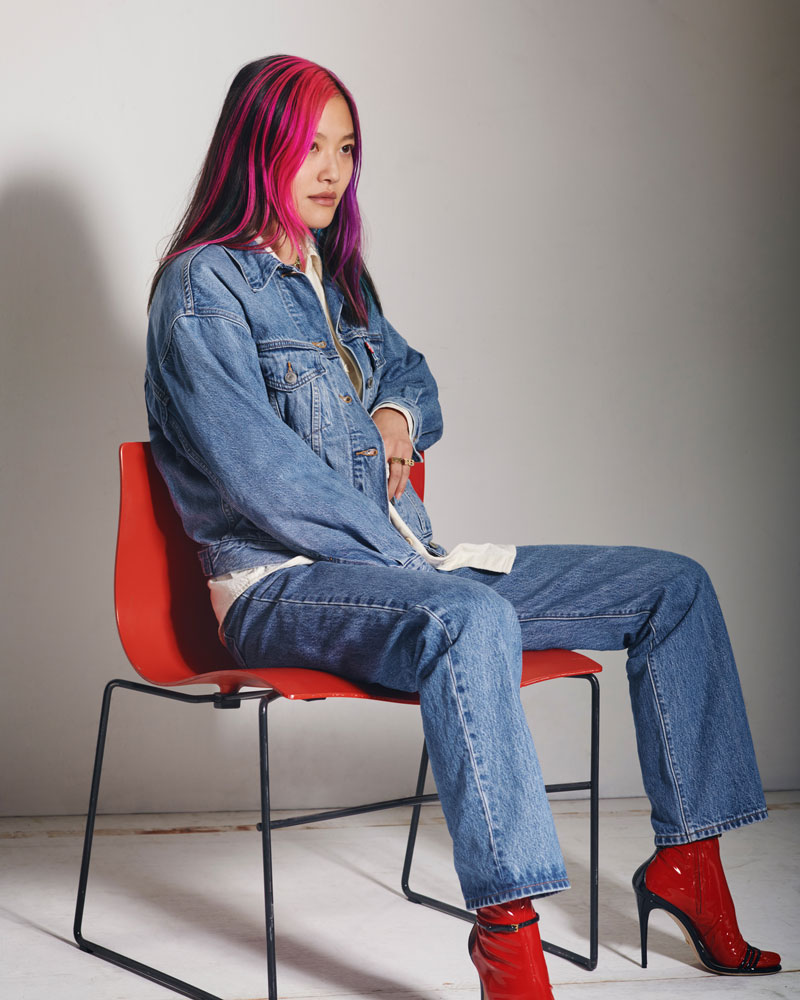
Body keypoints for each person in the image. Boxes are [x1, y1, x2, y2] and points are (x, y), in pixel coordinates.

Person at [145, 55, 781, 998]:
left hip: (405, 569)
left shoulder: (336, 280)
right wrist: (411, 564)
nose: (332, 170)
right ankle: (510, 946)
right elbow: (261, 480)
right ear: (256, 148)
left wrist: (396, 416)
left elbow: (413, 376)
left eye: (346, 149)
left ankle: (691, 865)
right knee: (468, 617)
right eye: (308, 148)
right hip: (279, 586)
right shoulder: (202, 288)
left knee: (673, 587)